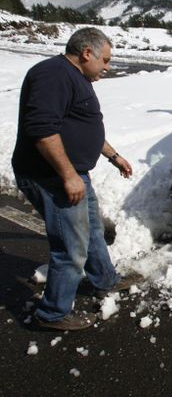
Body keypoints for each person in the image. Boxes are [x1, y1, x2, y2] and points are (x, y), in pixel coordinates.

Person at [12, 27, 139, 330]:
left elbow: (82, 126)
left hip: (72, 173)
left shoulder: (76, 77)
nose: (107, 67)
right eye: (105, 60)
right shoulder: (53, 75)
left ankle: (105, 280)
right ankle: (53, 313)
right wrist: (68, 175)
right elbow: (42, 129)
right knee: (71, 246)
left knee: (93, 229)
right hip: (53, 176)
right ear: (87, 53)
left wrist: (113, 155)